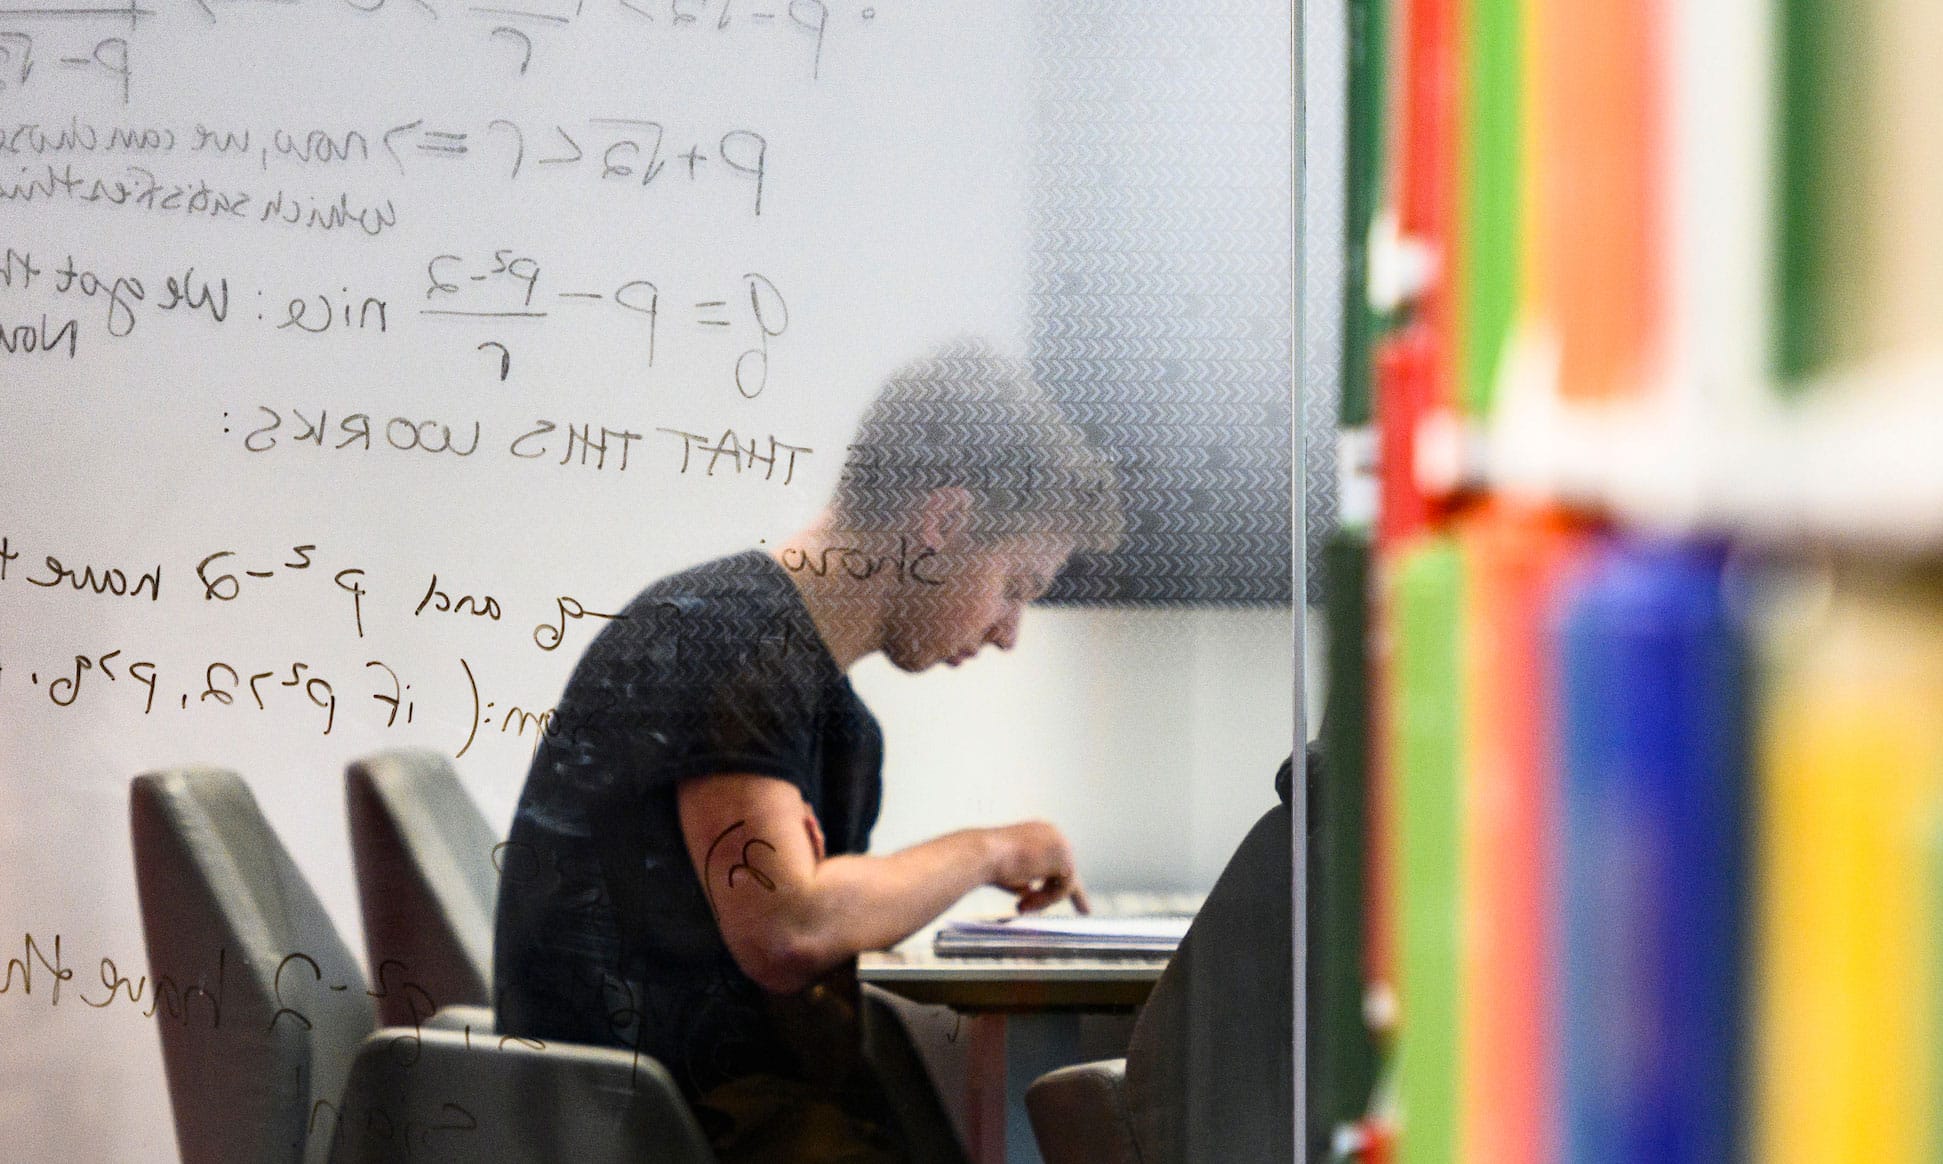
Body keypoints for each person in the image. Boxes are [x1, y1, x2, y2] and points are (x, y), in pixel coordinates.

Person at [492, 339, 1122, 1163]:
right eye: (1015, 585)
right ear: (944, 523)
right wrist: (993, 850)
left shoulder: (827, 711)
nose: (1008, 632)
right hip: (657, 1132)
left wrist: (838, 899)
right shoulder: (729, 635)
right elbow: (787, 928)